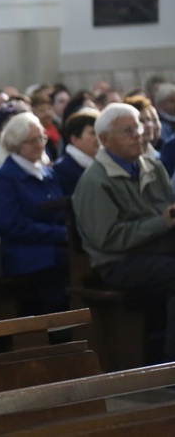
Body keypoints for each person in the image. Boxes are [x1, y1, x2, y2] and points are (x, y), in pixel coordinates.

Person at [74, 103, 175, 362]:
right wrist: (160, 224)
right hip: (120, 263)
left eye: (138, 127)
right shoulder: (95, 181)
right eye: (127, 130)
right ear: (105, 139)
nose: (138, 134)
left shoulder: (152, 167)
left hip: (157, 252)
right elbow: (107, 239)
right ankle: (170, 366)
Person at [0, 112, 68, 315]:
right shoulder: (5, 176)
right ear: (15, 144)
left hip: (48, 241)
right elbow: (11, 224)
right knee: (61, 260)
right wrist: (59, 234)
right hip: (17, 248)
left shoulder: (47, 172)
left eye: (42, 138)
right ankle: (55, 329)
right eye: (32, 141)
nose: (40, 144)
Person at [52, 108, 100, 196]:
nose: (98, 138)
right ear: (75, 139)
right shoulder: (63, 169)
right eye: (93, 133)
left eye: (99, 133)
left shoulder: (101, 164)